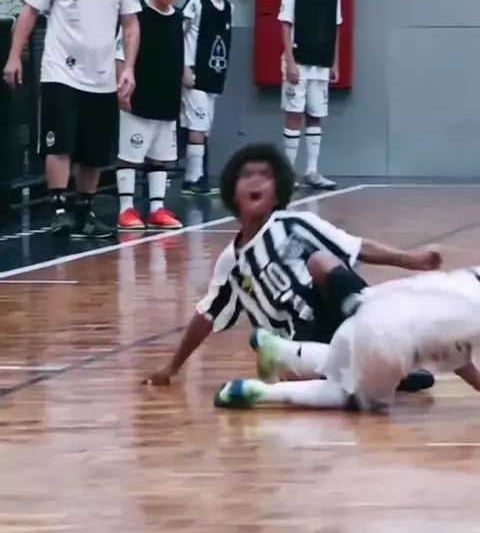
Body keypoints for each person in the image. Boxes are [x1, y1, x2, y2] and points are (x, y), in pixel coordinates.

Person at [144, 143, 441, 387]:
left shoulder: (296, 224)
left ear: (278, 192)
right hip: (297, 346)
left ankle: (377, 347)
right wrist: (171, 367)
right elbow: (206, 316)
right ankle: (366, 373)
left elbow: (356, 247)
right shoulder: (232, 263)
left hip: (333, 321)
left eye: (265, 175)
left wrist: (413, 260)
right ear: (233, 192)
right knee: (262, 345)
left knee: (322, 261)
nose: (256, 180)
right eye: (247, 175)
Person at [3, 0, 141, 238]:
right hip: (60, 72)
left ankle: (84, 211)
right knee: (59, 143)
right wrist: (14, 56)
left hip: (102, 77)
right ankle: (58, 210)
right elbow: (30, 12)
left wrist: (128, 68)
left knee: (94, 152)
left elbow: (131, 24)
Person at [214, 266, 480, 414]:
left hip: (369, 308)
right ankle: (260, 393)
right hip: (390, 345)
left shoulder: (467, 277)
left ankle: (282, 350)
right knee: (347, 394)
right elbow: (461, 361)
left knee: (341, 363)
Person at [115, 0, 184, 231]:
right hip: (139, 97)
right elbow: (120, 54)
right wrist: (122, 89)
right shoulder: (137, 16)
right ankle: (126, 208)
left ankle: (156, 208)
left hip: (166, 98)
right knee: (130, 155)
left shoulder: (178, 18)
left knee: (160, 156)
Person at [279, 0, 341, 190]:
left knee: (316, 115)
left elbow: (336, 25)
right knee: (294, 114)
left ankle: (312, 171)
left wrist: (335, 62)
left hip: (321, 61)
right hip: (299, 59)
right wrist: (290, 60)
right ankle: (288, 173)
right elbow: (285, 22)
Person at [181, 0, 235, 195]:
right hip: (195, 76)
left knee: (205, 127)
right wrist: (184, 67)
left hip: (214, 75)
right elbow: (180, 35)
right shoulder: (196, 3)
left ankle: (198, 175)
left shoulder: (228, 8)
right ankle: (192, 179)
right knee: (198, 125)